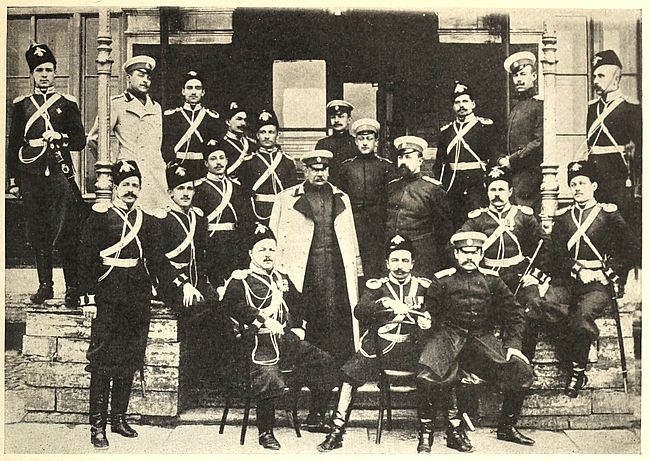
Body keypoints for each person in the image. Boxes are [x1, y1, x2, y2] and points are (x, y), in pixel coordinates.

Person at [78, 160, 203, 449]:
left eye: (135, 185)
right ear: (114, 187)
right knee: (102, 360)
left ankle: (118, 419)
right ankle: (97, 426)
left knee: (130, 356)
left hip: (136, 294)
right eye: (125, 184)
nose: (131, 190)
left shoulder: (145, 220)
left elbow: (157, 260)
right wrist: (88, 298)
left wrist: (181, 283)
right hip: (107, 293)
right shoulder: (99, 216)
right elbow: (84, 259)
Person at [218, 224, 337, 450]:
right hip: (256, 343)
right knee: (269, 375)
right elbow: (230, 306)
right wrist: (261, 320)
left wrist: (299, 327)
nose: (267, 254)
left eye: (271, 250)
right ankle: (266, 432)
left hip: (284, 341)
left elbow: (301, 304)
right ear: (251, 253)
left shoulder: (282, 278)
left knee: (325, 362)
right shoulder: (240, 280)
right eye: (262, 249)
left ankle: (315, 417)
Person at [317, 235, 437, 453]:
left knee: (430, 374)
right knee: (349, 375)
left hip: (412, 349)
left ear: (412, 263)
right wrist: (385, 304)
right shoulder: (377, 288)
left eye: (405, 260)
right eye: (395, 260)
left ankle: (426, 434)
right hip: (380, 349)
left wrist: (428, 322)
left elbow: (438, 315)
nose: (400, 266)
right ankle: (336, 431)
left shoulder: (423, 287)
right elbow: (360, 311)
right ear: (387, 263)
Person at [269, 149, 362, 429]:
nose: (319, 173)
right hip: (303, 283)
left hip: (336, 284)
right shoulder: (286, 198)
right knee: (308, 342)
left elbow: (351, 242)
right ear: (305, 171)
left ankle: (328, 408)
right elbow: (273, 240)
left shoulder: (341, 198)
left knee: (336, 343)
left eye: (323, 169)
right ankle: (310, 409)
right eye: (314, 169)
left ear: (328, 171)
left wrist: (355, 276)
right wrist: (278, 276)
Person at [418, 231, 535, 451]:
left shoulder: (492, 280)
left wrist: (513, 346)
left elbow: (516, 314)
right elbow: (430, 314)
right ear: (456, 254)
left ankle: (506, 427)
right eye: (464, 252)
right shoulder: (442, 280)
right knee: (427, 375)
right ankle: (426, 434)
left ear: (481, 254)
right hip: (448, 337)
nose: (469, 257)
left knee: (521, 371)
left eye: (474, 253)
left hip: (481, 339)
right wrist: (426, 322)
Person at [457, 164, 549, 423]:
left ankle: (524, 358)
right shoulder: (477, 219)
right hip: (490, 278)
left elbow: (544, 247)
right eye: (492, 190)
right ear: (487, 193)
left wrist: (535, 274)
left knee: (532, 306)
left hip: (519, 274)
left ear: (510, 191)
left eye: (501, 189)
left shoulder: (524, 216)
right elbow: (458, 243)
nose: (496, 194)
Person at [534, 160, 632, 398]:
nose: (577, 188)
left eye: (582, 183)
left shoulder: (608, 214)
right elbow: (555, 255)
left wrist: (608, 272)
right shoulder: (563, 217)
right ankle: (579, 349)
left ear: (594, 186)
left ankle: (577, 371)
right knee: (547, 305)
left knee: (583, 315)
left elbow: (631, 248)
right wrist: (577, 269)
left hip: (599, 282)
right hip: (570, 279)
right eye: (574, 184)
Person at [6, 43, 86, 306]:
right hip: (31, 174)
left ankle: (72, 287)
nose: (44, 75)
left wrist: (59, 136)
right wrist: (13, 180)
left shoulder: (67, 103)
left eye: (48, 70)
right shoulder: (22, 105)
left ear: (55, 73)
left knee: (66, 230)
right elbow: (14, 144)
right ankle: (45, 286)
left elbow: (80, 141)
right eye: (39, 70)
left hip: (59, 174)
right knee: (38, 231)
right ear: (32, 74)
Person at [87, 55, 169, 213]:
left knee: (157, 218)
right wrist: (113, 165)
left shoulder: (156, 107)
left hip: (156, 176)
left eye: (148, 77)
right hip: (130, 175)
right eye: (140, 75)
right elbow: (94, 139)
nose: (145, 80)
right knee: (129, 217)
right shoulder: (117, 104)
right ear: (129, 78)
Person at [585, 50, 642, 266]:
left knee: (621, 232)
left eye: (601, 76)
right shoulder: (592, 108)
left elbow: (640, 151)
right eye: (594, 76)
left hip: (618, 180)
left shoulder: (631, 109)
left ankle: (621, 274)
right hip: (596, 180)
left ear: (616, 78)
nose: (596, 81)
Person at [385, 136, 454, 276]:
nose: (403, 162)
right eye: (400, 158)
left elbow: (444, 229)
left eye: (408, 157)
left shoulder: (432, 189)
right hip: (393, 252)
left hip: (421, 254)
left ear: (420, 161)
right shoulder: (391, 187)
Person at [434, 81, 497, 228]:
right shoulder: (446, 132)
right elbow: (439, 164)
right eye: (457, 102)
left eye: (465, 101)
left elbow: (493, 157)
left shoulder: (485, 127)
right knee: (453, 224)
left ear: (473, 104)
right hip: (453, 187)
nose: (461, 105)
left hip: (477, 185)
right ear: (453, 106)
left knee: (478, 223)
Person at [337, 118, 394, 279]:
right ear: (355, 141)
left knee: (376, 263)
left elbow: (391, 197)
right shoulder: (347, 167)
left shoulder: (386, 166)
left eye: (369, 139)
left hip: (378, 225)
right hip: (353, 223)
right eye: (361, 139)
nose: (365, 143)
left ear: (376, 142)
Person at [193, 144, 254, 287]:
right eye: (213, 159)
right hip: (212, 244)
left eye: (221, 158)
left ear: (227, 161)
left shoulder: (237, 188)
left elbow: (246, 218)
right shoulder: (199, 189)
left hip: (235, 243)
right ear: (206, 163)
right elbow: (197, 223)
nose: (218, 162)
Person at [499, 51, 544, 213]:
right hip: (514, 175)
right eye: (515, 75)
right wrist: (501, 159)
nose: (518, 79)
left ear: (534, 76)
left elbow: (539, 142)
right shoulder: (516, 107)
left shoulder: (539, 105)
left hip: (530, 177)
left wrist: (512, 160)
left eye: (523, 74)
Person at [238, 108, 299, 225]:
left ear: (278, 135)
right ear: (257, 135)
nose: (267, 136)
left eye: (271, 132)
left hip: (283, 212)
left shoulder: (288, 161)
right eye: (263, 132)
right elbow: (244, 196)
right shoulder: (248, 162)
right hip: (258, 213)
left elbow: (293, 193)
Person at [161, 70, 221, 179]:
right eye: (189, 88)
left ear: (203, 92)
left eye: (197, 88)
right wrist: (173, 166)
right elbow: (165, 146)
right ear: (183, 91)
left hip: (202, 170)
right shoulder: (171, 116)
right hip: (178, 169)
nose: (193, 92)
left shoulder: (211, 118)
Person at [315, 99, 356, 183]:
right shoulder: (322, 144)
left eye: (341, 116)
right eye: (333, 117)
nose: (336, 120)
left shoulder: (355, 143)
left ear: (349, 120)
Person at [220, 101, 256, 178]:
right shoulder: (220, 144)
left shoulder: (251, 144)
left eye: (245, 120)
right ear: (228, 122)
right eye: (239, 119)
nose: (243, 123)